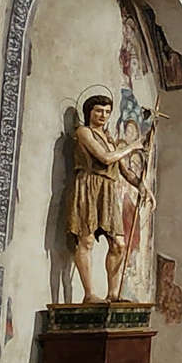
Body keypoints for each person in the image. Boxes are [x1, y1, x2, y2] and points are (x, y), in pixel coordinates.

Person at [67, 94, 148, 303]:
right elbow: (104, 158)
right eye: (98, 111)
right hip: (89, 185)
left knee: (119, 244)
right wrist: (132, 146)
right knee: (86, 239)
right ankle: (88, 294)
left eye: (107, 112)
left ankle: (112, 293)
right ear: (89, 112)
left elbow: (125, 171)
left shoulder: (110, 139)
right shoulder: (84, 132)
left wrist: (142, 186)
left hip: (108, 190)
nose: (103, 115)